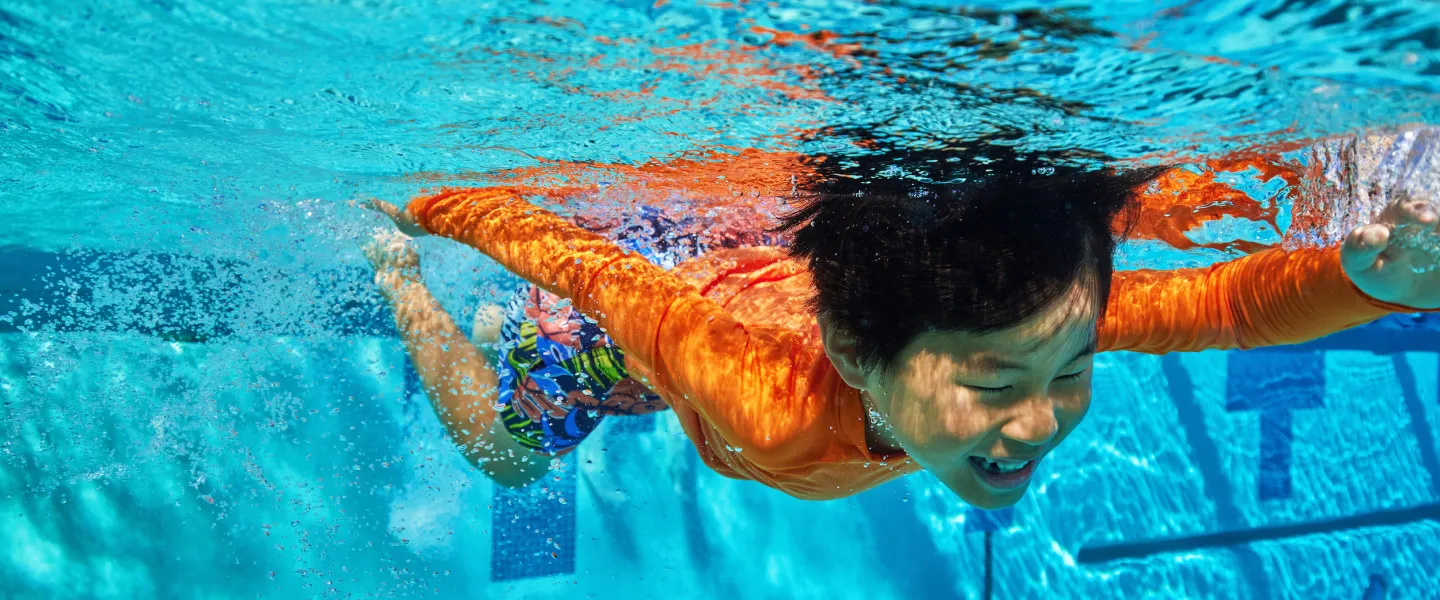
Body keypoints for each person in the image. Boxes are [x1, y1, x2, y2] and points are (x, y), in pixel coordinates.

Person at [363, 148, 1439, 509]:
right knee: (508, 457)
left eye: (1072, 367)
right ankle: (401, 283)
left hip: (764, 275)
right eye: (997, 381)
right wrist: (429, 208)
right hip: (664, 314)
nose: (1039, 421)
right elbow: (593, 274)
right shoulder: (764, 405)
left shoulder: (1012, 333)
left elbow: (1225, 306)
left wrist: (1378, 275)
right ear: (856, 360)